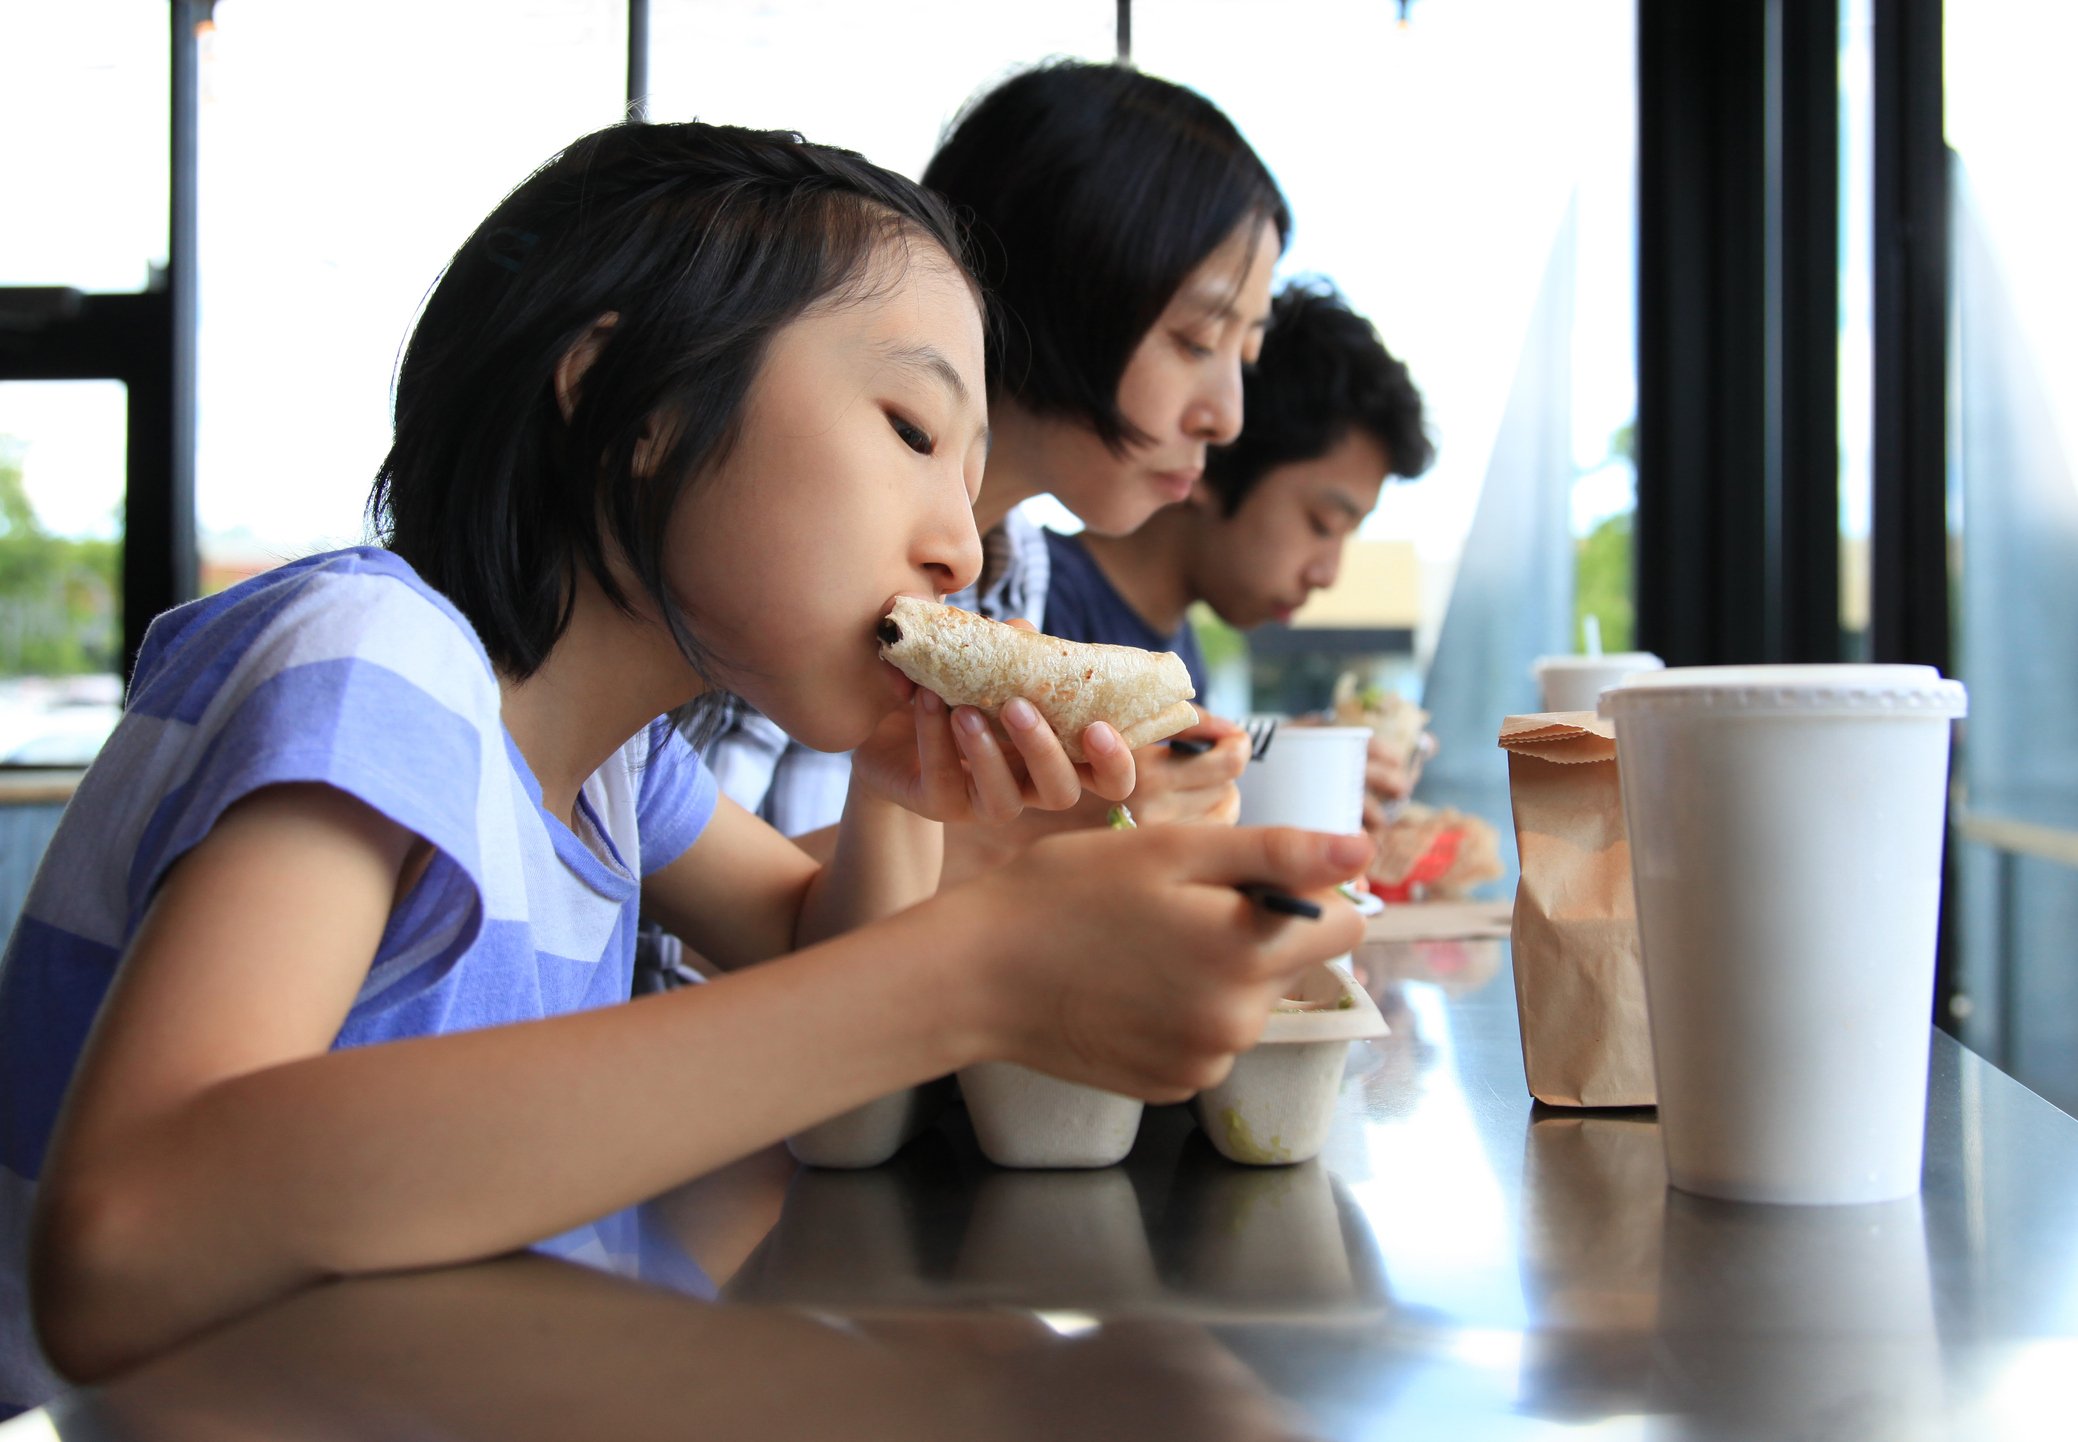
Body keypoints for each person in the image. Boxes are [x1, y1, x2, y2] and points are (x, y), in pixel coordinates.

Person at [0, 121, 1370, 1387]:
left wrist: (905, 796)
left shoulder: (614, 772)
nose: (960, 546)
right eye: (908, 431)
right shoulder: (375, 659)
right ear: (630, 406)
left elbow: (808, 954)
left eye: (968, 480)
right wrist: (979, 968)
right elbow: (125, 1239)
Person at [701, 59, 1288, 843]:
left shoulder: (1019, 579)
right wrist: (1020, 845)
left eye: (1243, 356)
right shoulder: (784, 528)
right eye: (1195, 340)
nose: (1228, 418)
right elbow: (664, 929)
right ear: (1068, 291)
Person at [1051, 279, 1437, 814]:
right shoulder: (1032, 606)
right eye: (1323, 523)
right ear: (1216, 457)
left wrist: (1278, 762)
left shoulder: (1181, 654)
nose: (1328, 574)